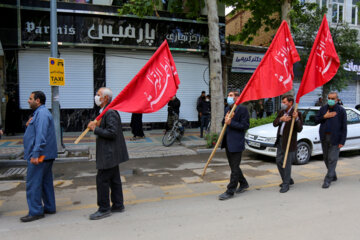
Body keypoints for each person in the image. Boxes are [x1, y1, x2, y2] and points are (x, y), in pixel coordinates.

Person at [87, 87, 129, 220]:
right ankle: (118, 204)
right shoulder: (104, 111)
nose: (96, 97)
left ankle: (104, 208)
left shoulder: (110, 112)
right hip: (110, 152)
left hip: (109, 153)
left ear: (106, 98)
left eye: (98, 95)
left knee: (102, 180)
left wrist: (95, 129)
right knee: (114, 179)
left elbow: (112, 133)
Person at [21, 91, 57, 222]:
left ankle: (35, 211)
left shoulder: (41, 114)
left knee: (33, 183)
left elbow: (41, 136)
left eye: (30, 99)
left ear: (38, 101)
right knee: (45, 182)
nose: (28, 101)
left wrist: (35, 154)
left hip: (40, 156)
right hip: (45, 155)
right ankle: (49, 207)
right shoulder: (40, 113)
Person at [218, 91, 250, 200]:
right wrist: (226, 119)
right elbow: (224, 123)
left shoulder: (242, 109)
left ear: (237, 97)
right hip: (228, 142)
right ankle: (244, 183)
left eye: (231, 96)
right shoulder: (227, 108)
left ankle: (230, 191)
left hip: (236, 143)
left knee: (234, 168)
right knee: (233, 167)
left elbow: (245, 125)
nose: (228, 97)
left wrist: (231, 122)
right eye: (228, 95)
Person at [314, 91, 347, 189]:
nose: (331, 100)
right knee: (326, 158)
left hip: (336, 138)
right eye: (329, 98)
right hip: (324, 137)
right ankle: (333, 175)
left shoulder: (341, 110)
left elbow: (344, 127)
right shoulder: (323, 109)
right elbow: (316, 120)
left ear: (337, 100)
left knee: (332, 159)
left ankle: (327, 180)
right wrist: (325, 116)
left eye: (333, 99)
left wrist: (342, 141)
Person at [273, 95, 303, 193]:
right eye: (282, 102)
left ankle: (286, 184)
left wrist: (297, 119)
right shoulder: (282, 112)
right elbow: (274, 123)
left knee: (287, 163)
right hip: (280, 140)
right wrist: (281, 119)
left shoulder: (296, 113)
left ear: (290, 103)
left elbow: (299, 129)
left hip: (289, 142)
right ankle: (288, 179)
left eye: (285, 102)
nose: (283, 104)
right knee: (279, 161)